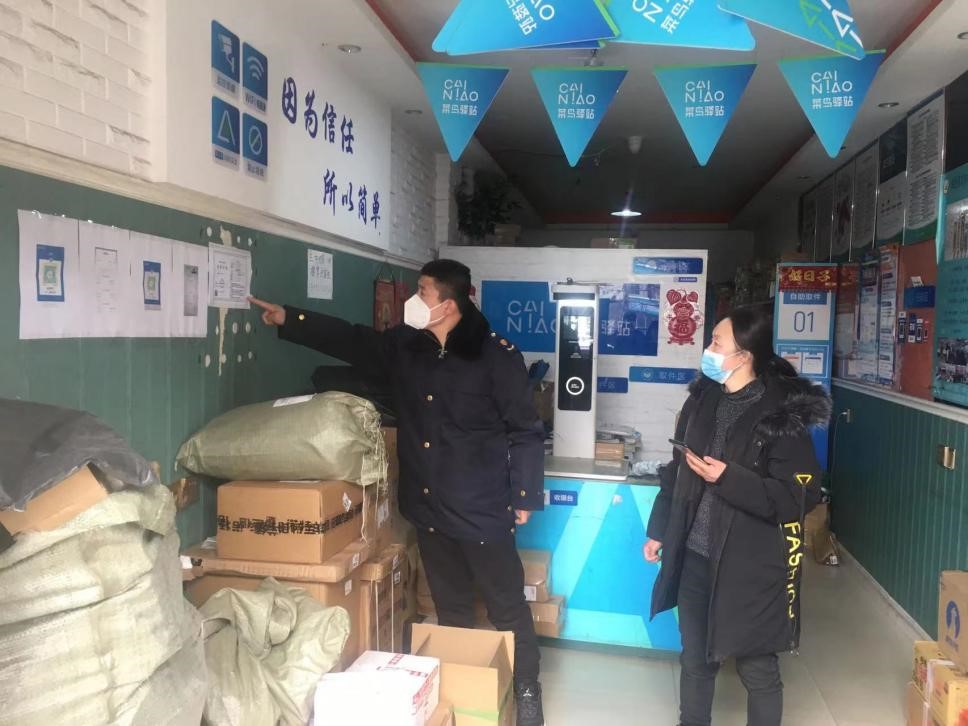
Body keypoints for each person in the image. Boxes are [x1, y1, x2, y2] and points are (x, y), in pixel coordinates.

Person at [250, 259, 546, 726]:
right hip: (428, 504)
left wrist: (526, 494)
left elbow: (525, 430)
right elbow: (353, 340)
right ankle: (460, 690)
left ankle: (527, 689)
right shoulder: (407, 345)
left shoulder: (495, 356)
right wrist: (291, 319)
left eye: (422, 291)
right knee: (450, 606)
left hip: (482, 506)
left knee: (505, 605)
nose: (414, 299)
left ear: (448, 304)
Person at [643, 305, 831, 726]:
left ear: (744, 355)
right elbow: (677, 470)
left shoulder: (781, 415)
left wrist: (729, 478)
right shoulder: (703, 399)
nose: (708, 349)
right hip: (695, 554)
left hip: (751, 564)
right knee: (695, 660)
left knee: (757, 669)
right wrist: (660, 529)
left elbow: (798, 497)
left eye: (716, 342)